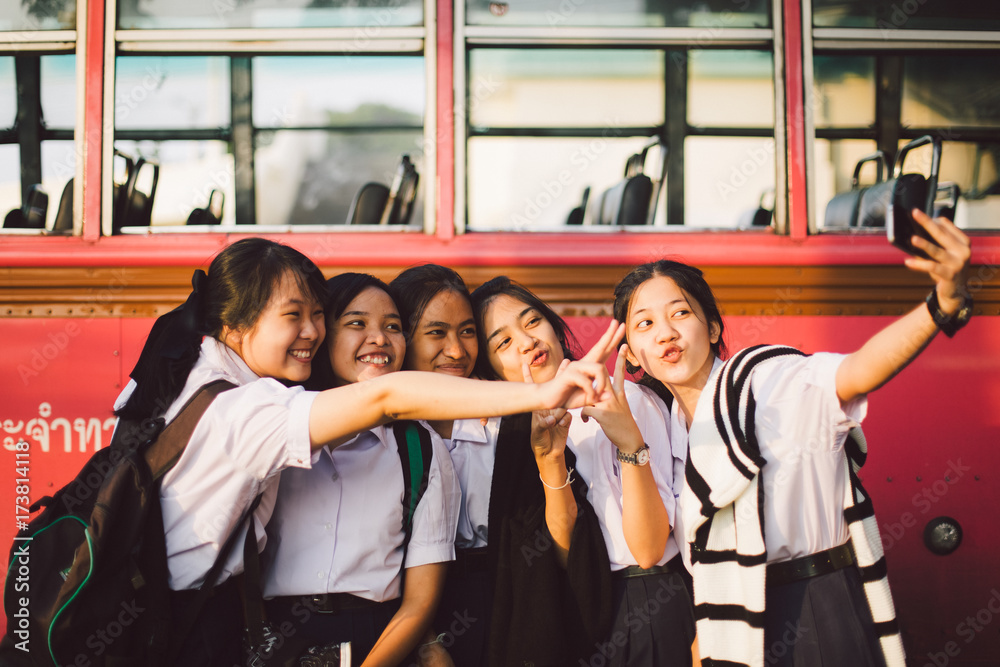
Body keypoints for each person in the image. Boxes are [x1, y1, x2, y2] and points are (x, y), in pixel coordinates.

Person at [113, 238, 612, 666]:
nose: (310, 332)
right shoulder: (250, 408)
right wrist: (544, 392)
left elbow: (422, 598)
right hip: (190, 621)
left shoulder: (194, 378)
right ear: (237, 324)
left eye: (315, 316)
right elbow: (386, 397)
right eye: (294, 317)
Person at [611, 210, 972, 667]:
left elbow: (857, 371)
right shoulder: (668, 435)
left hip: (814, 610)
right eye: (644, 324)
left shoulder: (765, 379)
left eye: (680, 312)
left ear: (714, 327)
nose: (665, 332)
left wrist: (940, 304)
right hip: (737, 632)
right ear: (632, 353)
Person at [472, 276, 697, 667]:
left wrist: (629, 444)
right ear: (491, 371)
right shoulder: (512, 438)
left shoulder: (620, 399)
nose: (527, 342)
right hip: (578, 613)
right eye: (504, 342)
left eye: (532, 322)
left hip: (645, 602)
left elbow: (648, 550)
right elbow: (561, 554)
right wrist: (550, 458)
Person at [261, 273, 461, 666]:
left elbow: (419, 603)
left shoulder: (420, 449)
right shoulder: (276, 428)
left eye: (393, 327)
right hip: (275, 640)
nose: (380, 339)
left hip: (376, 640)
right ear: (320, 336)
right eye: (357, 323)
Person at [388, 264, 494, 666]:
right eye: (436, 333)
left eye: (467, 331)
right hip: (397, 612)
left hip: (496, 606)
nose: (456, 350)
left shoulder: (504, 423)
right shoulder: (382, 433)